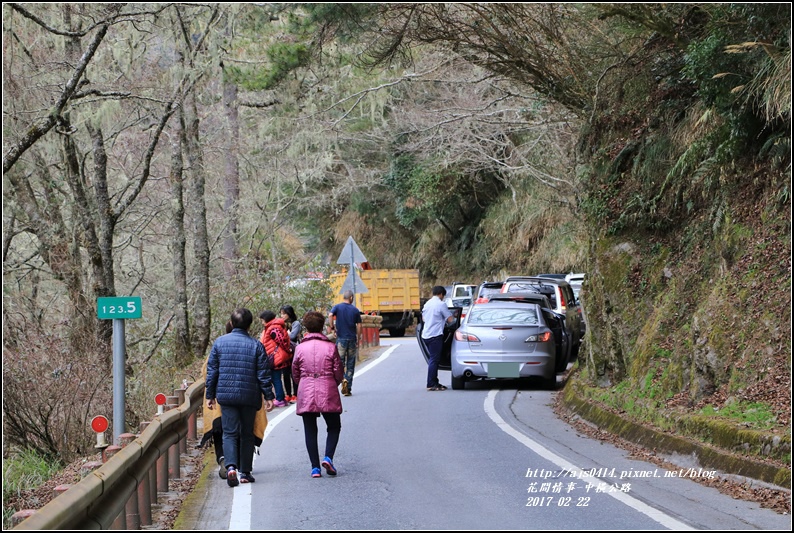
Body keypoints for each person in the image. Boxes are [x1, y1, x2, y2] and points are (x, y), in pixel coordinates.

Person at [206, 308, 275, 487]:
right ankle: (245, 472)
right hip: (249, 396)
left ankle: (230, 468)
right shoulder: (256, 345)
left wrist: (210, 395)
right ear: (250, 324)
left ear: (232, 322)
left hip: (226, 395)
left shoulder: (219, 343)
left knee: (229, 433)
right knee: (246, 433)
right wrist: (268, 396)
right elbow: (263, 374)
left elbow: (212, 371)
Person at [292, 311, 344, 478]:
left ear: (306, 327)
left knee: (310, 429)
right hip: (327, 388)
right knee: (334, 426)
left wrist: (303, 384)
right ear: (322, 326)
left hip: (306, 390)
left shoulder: (299, 348)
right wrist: (332, 383)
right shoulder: (330, 347)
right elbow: (338, 372)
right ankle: (328, 457)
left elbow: (295, 372)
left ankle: (315, 468)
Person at [421, 285, 455, 391]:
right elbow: (451, 320)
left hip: (426, 335)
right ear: (441, 294)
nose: (443, 297)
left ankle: (435, 382)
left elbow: (423, 318)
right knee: (434, 360)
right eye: (443, 296)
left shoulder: (427, 304)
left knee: (433, 359)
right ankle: (431, 383)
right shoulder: (441, 304)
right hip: (435, 335)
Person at [328, 290, 362, 396]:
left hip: (341, 340)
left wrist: (332, 327)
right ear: (351, 297)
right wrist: (358, 338)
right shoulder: (355, 310)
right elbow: (359, 326)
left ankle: (342, 382)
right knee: (350, 364)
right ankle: (348, 386)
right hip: (351, 339)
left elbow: (330, 315)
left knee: (340, 364)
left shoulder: (337, 307)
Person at [259, 310, 293, 407]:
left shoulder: (273, 328)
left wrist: (287, 350)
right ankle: (280, 397)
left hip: (276, 357)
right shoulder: (272, 327)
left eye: (262, 320)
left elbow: (281, 341)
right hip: (275, 356)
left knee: (275, 378)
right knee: (275, 377)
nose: (262, 322)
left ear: (266, 319)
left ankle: (280, 398)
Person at [280, 305, 301, 403]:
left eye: (284, 313)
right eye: (281, 313)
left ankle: (296, 394)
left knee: (294, 372)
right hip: (284, 351)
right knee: (285, 373)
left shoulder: (295, 323)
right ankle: (288, 394)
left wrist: (284, 335)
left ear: (289, 313)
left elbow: (292, 336)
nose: (282, 315)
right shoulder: (281, 324)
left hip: (294, 351)